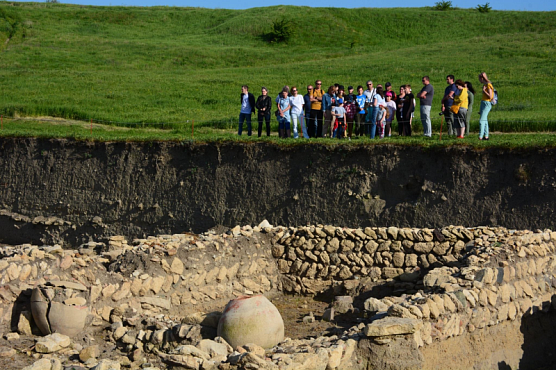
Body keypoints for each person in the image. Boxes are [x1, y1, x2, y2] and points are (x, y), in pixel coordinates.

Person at [478, 72, 494, 140]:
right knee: (485, 120)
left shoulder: (488, 85)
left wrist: (484, 91)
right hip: (483, 102)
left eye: (479, 78)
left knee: (482, 120)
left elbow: (490, 96)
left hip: (487, 103)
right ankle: (486, 135)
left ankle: (480, 136)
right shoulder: (485, 85)